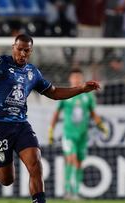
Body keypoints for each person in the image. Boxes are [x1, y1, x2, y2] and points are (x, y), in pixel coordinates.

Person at [0, 34, 100, 203]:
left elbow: (54, 93)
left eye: (26, 51)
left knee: (36, 165)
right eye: (19, 49)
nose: (22, 54)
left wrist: (80, 88)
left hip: (21, 125)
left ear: (31, 51)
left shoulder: (32, 72)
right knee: (7, 180)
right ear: (13, 47)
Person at [48, 68, 107, 200]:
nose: (76, 79)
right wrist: (51, 129)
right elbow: (56, 114)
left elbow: (93, 113)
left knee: (79, 163)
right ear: (70, 79)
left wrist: (101, 125)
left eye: (78, 77)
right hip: (69, 134)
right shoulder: (66, 94)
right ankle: (68, 191)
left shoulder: (88, 96)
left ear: (81, 78)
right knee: (72, 160)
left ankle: (75, 191)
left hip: (83, 135)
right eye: (74, 77)